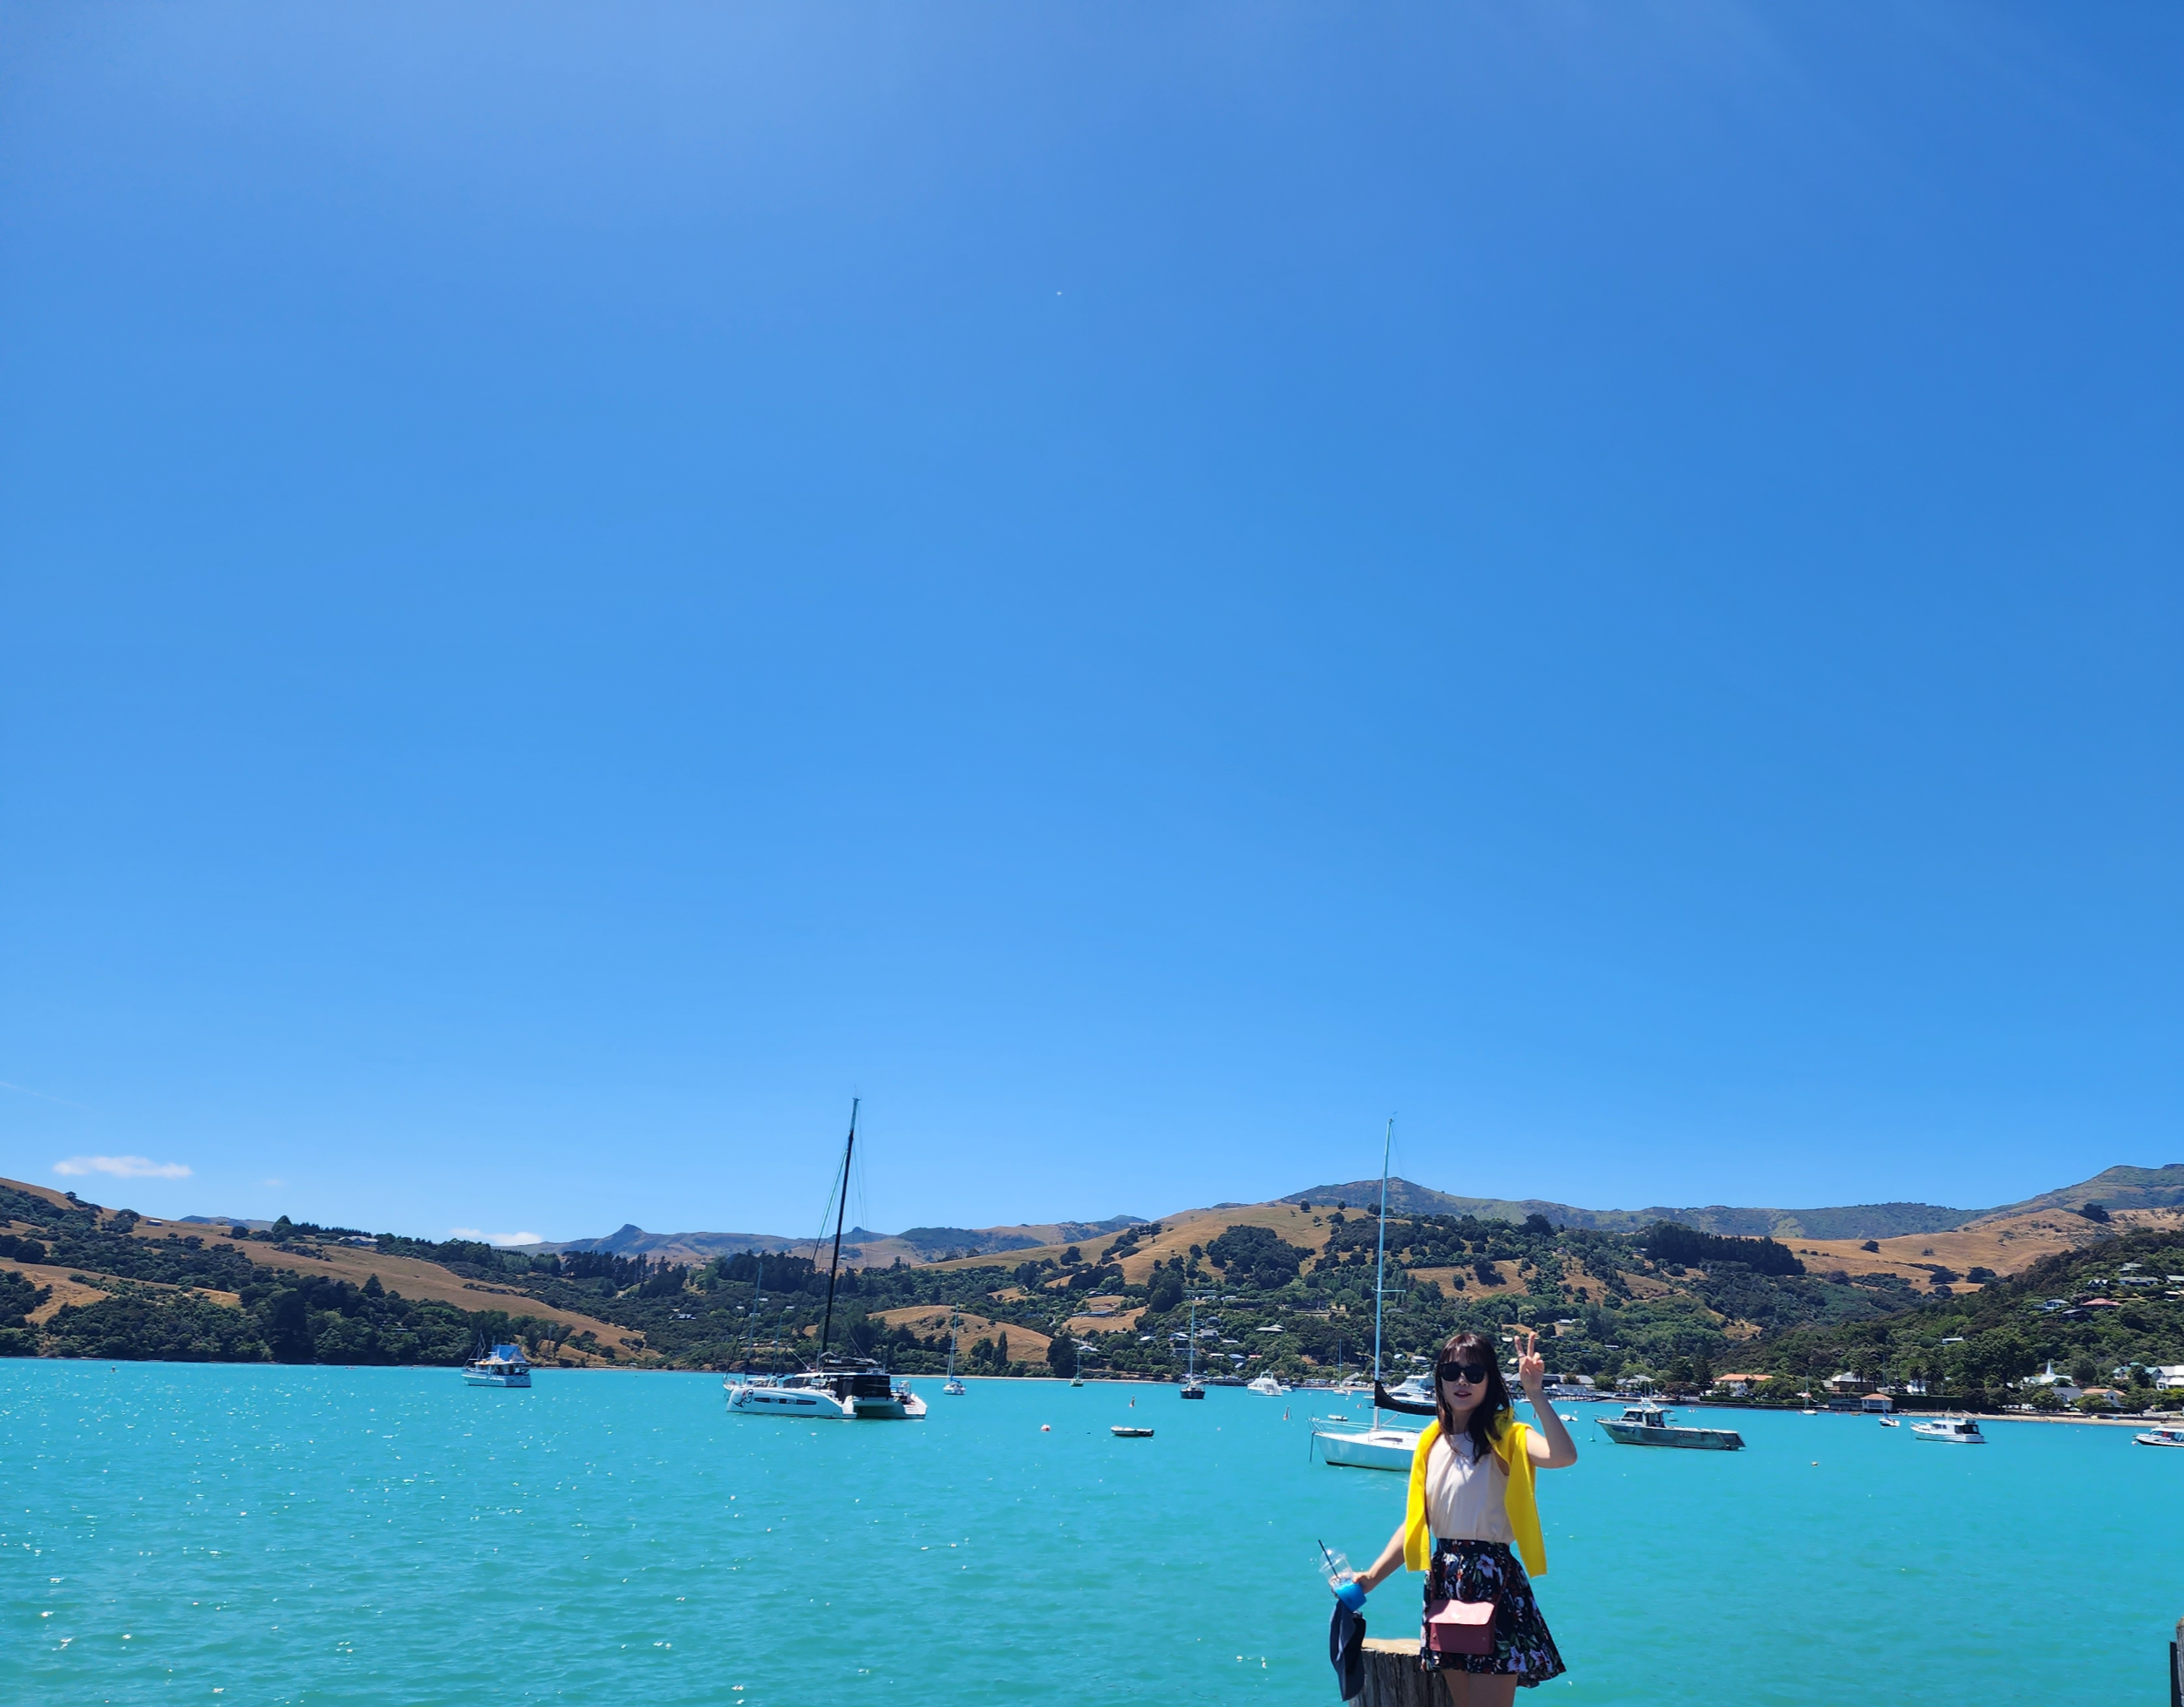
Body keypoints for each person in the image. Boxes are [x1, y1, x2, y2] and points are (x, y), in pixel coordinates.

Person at [1349, 1329, 1577, 1702]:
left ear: (1490, 1381)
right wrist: (1371, 1578)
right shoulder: (1431, 1440)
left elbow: (1563, 1456)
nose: (1462, 1381)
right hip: (1444, 1579)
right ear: (1439, 1379)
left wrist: (1535, 1394)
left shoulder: (1507, 1435)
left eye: (1474, 1373)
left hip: (1492, 1579)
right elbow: (1418, 1522)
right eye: (1451, 1372)